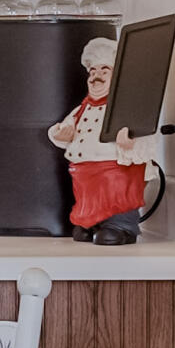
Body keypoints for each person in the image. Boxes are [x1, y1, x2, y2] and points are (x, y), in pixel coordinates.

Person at [47, 35, 157, 244]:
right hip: (85, 174)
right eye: (93, 71)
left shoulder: (126, 106)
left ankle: (121, 226)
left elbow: (146, 135)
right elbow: (64, 127)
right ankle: (93, 224)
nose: (96, 76)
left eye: (104, 71)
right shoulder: (83, 107)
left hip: (116, 172)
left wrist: (131, 143)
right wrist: (60, 134)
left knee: (119, 199)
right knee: (89, 202)